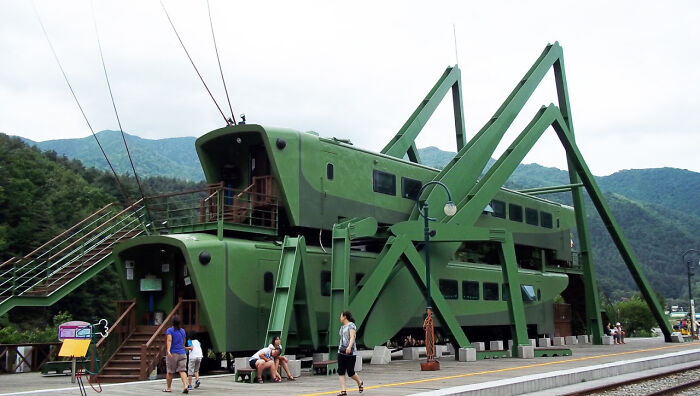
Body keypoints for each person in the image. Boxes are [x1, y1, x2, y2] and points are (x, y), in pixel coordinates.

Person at [337, 310, 363, 396]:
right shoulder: (342, 327)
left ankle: (359, 382)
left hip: (350, 352)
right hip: (341, 351)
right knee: (341, 371)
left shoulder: (351, 325)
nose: (340, 318)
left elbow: (352, 337)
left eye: (341, 316)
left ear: (344, 317)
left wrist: (349, 347)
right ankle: (343, 391)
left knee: (350, 372)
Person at [164, 315, 188, 393]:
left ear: (172, 322)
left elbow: (169, 340)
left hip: (173, 353)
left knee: (170, 372)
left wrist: (168, 350)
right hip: (182, 353)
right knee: (182, 370)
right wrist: (183, 348)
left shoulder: (170, 330)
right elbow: (184, 341)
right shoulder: (183, 331)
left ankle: (168, 388)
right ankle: (185, 386)